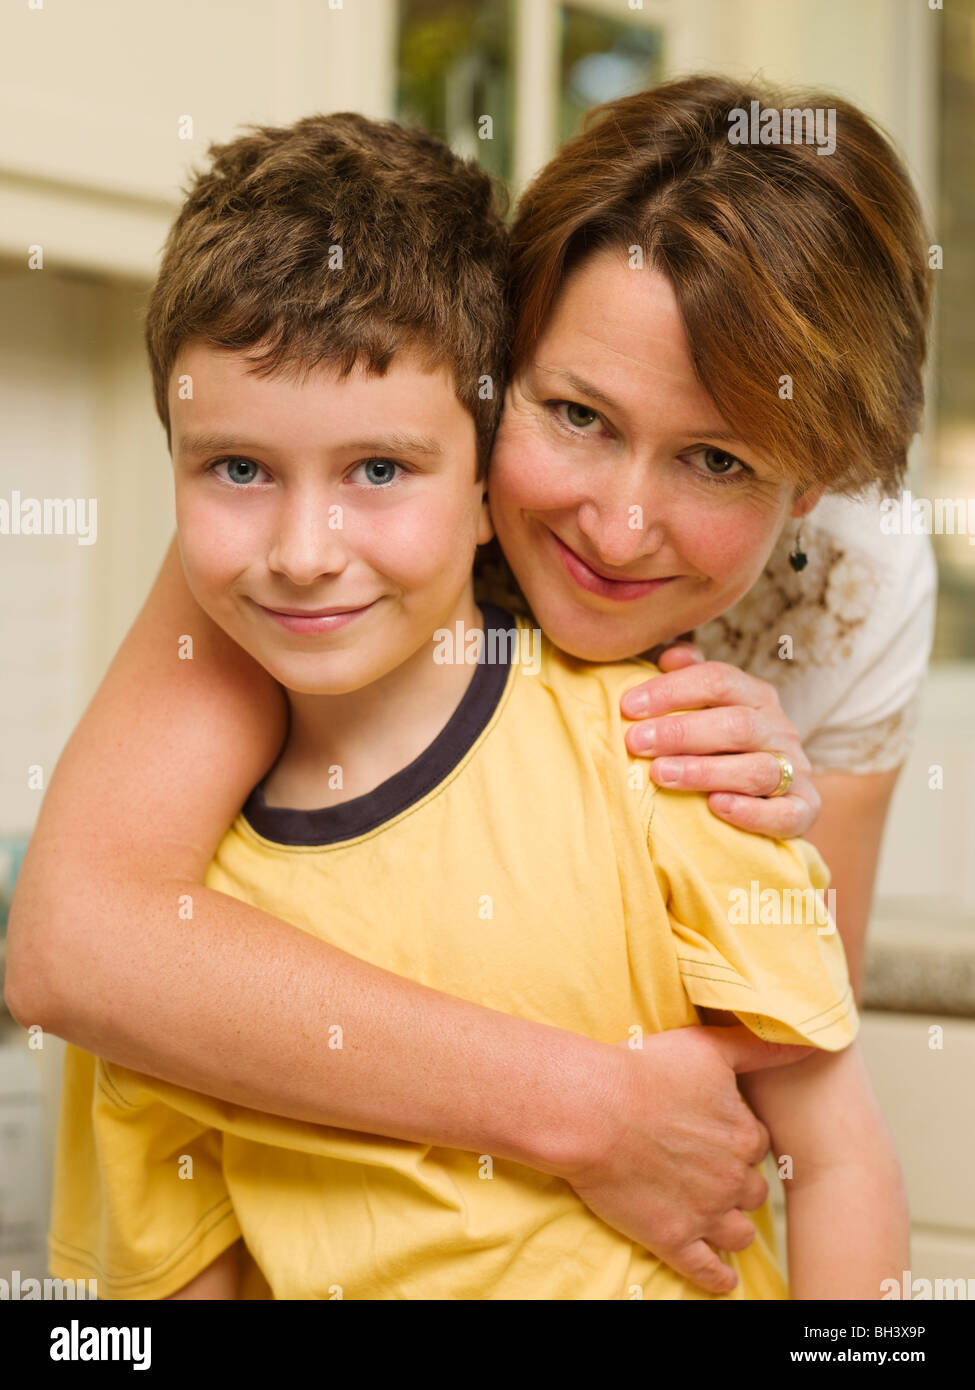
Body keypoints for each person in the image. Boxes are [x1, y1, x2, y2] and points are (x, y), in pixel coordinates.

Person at [5, 75, 933, 1295]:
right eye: (576, 415)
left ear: (811, 482)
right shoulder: (325, 518)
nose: (616, 523)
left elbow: (766, 1112)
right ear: (499, 365)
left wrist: (764, 816)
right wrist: (583, 1104)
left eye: (717, 460)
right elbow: (80, 947)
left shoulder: (851, 597)